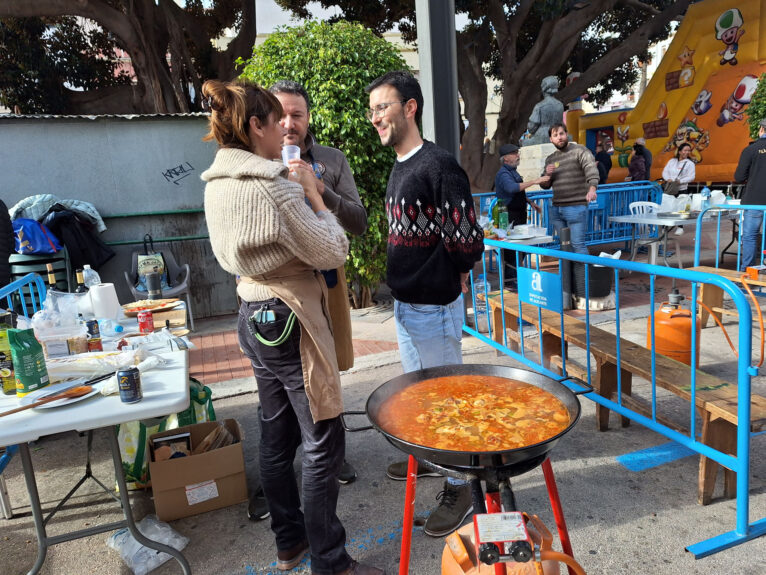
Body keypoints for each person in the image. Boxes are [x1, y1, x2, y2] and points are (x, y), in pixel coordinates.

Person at [201, 78, 384, 575]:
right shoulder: (275, 186)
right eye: (274, 118)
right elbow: (334, 249)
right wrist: (314, 195)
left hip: (250, 312)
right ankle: (331, 561)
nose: (286, 125)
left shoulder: (217, 181)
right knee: (325, 437)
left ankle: (290, 545)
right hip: (290, 315)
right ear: (255, 126)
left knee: (277, 433)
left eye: (293, 116)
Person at [365, 70, 484, 537]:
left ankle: (463, 485)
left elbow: (465, 236)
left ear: (410, 107)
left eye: (383, 107)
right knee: (419, 392)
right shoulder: (400, 165)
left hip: (433, 307)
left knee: (447, 400)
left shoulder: (439, 165)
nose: (375, 117)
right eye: (372, 109)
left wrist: (454, 277)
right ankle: (434, 459)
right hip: (408, 305)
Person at [538, 123, 599, 254]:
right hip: (556, 208)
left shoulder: (580, 151)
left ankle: (583, 275)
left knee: (577, 245)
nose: (559, 137)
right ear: (551, 139)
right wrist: (547, 174)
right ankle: (569, 275)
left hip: (576, 206)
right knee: (565, 246)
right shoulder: (551, 158)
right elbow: (544, 185)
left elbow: (591, 170)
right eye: (555, 135)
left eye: (561, 134)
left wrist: (592, 189)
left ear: (566, 134)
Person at [735, 118, 766, 270]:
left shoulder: (750, 150)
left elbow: (739, 177)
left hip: (754, 200)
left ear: (761, 129)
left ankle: (747, 270)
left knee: (750, 236)